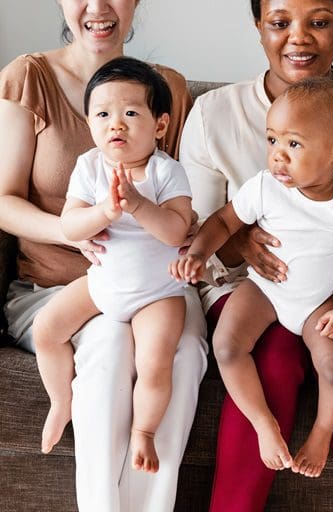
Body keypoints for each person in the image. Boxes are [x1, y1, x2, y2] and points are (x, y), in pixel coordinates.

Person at [179, 0, 333, 509]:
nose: (299, 37)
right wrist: (242, 240)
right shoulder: (214, 112)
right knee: (269, 359)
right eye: (280, 22)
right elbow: (201, 220)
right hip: (251, 285)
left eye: (319, 21)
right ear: (258, 27)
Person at [0, 1, 207, 511]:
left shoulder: (168, 89)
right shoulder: (30, 77)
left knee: (180, 355)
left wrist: (186, 238)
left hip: (157, 280)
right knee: (109, 352)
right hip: (62, 284)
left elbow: (185, 205)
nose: (98, 6)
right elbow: (3, 201)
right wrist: (78, 233)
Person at [173, 77, 333, 478]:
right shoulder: (265, 187)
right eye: (272, 141)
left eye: (294, 144)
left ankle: (321, 434)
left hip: (320, 300)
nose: (277, 157)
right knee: (226, 345)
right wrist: (199, 252)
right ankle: (263, 423)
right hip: (266, 289)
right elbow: (222, 220)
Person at [32, 56, 193, 473]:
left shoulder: (166, 172)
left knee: (155, 361)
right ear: (90, 125)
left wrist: (138, 205)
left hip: (157, 294)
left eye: (130, 113)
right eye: (103, 114)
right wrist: (103, 212)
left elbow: (178, 231)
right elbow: (70, 223)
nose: (115, 124)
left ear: (160, 125)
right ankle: (61, 401)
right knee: (46, 330)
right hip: (102, 284)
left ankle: (144, 432)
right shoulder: (88, 167)